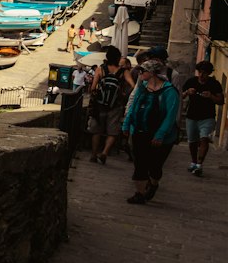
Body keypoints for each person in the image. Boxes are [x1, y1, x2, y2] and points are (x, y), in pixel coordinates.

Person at [122, 59, 180, 204]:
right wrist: (126, 125)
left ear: (152, 73)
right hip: (140, 131)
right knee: (140, 164)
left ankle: (153, 184)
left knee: (155, 167)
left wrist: (160, 134)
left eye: (143, 71)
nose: (139, 73)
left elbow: (170, 116)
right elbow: (134, 106)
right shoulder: (142, 87)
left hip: (160, 136)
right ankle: (139, 194)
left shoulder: (170, 92)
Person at [183, 61, 224, 177]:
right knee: (192, 141)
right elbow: (179, 96)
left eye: (205, 73)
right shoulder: (191, 82)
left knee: (204, 139)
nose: (201, 75)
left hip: (207, 117)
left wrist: (211, 96)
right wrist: (187, 92)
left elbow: (221, 101)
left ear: (209, 73)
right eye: (200, 72)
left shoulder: (214, 84)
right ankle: (194, 162)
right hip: (191, 116)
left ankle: (199, 165)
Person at [88, 47, 124, 164]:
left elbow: (93, 88)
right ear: (118, 58)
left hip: (100, 105)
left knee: (97, 131)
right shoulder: (123, 71)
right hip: (115, 105)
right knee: (112, 132)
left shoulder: (100, 69)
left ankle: (93, 155)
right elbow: (133, 86)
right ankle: (104, 152)